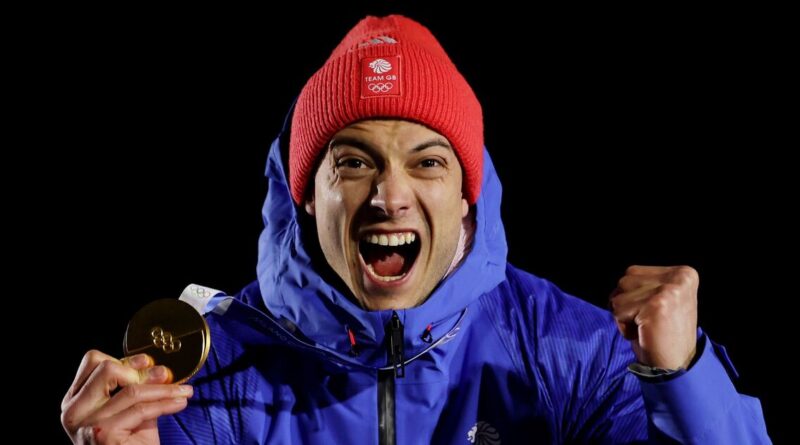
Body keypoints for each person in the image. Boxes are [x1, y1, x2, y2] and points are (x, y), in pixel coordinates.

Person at [61, 15, 771, 444]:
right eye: (353, 162)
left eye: (427, 162)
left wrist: (684, 380)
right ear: (306, 196)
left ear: (467, 196)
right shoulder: (205, 376)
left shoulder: (570, 351)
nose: (389, 196)